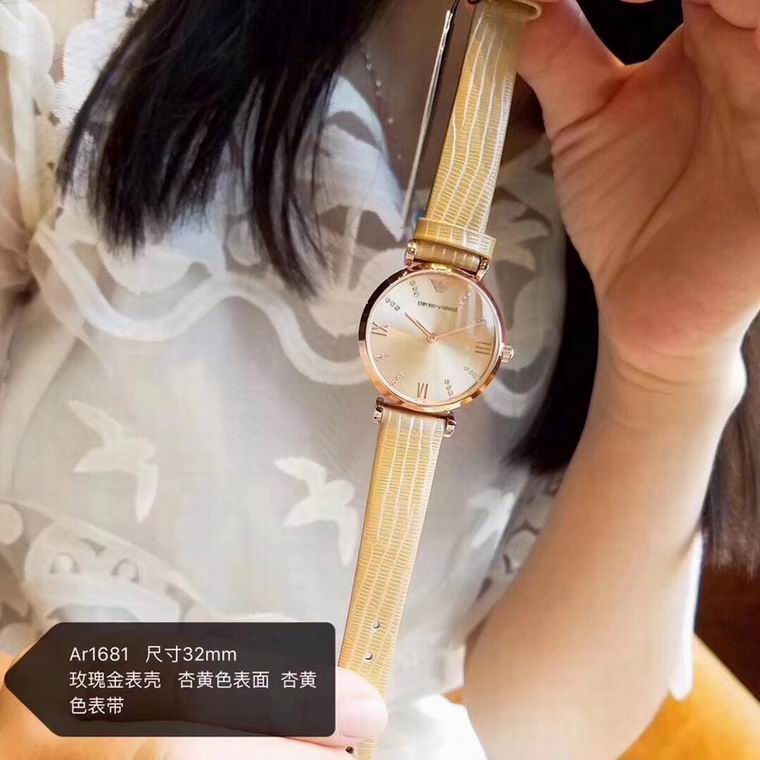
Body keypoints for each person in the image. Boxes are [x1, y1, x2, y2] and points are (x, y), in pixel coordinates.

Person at [0, 0, 757, 758]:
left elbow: (546, 734)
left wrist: (668, 367)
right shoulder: (69, 40)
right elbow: (48, 699)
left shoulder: (692, 124)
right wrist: (136, 727)